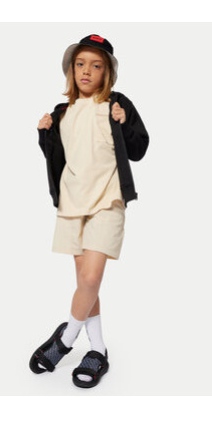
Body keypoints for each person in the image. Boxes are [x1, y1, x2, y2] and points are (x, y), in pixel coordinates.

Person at [29, 34, 149, 388]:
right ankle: (98, 350)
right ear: (71, 70)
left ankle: (65, 339)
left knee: (92, 279)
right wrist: (44, 134)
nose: (86, 71)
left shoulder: (116, 104)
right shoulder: (62, 112)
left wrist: (123, 122)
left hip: (107, 200)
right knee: (85, 282)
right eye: (80, 64)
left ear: (107, 73)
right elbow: (58, 157)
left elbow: (139, 149)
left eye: (96, 66)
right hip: (71, 203)